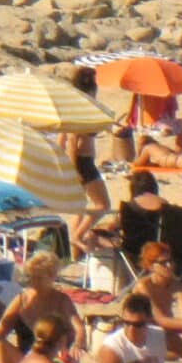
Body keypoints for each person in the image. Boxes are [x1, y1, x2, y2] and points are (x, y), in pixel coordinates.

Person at [131, 244, 182, 354]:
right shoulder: (144, 286)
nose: (169, 265)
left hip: (169, 333)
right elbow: (160, 320)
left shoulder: (176, 286)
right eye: (163, 263)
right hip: (147, 334)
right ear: (151, 266)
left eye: (170, 261)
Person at [70, 68, 111, 255]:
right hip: (83, 162)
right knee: (102, 205)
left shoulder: (74, 106)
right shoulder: (80, 109)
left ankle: (74, 250)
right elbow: (72, 140)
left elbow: (63, 139)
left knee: (80, 206)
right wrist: (72, 169)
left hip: (82, 161)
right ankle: (77, 237)